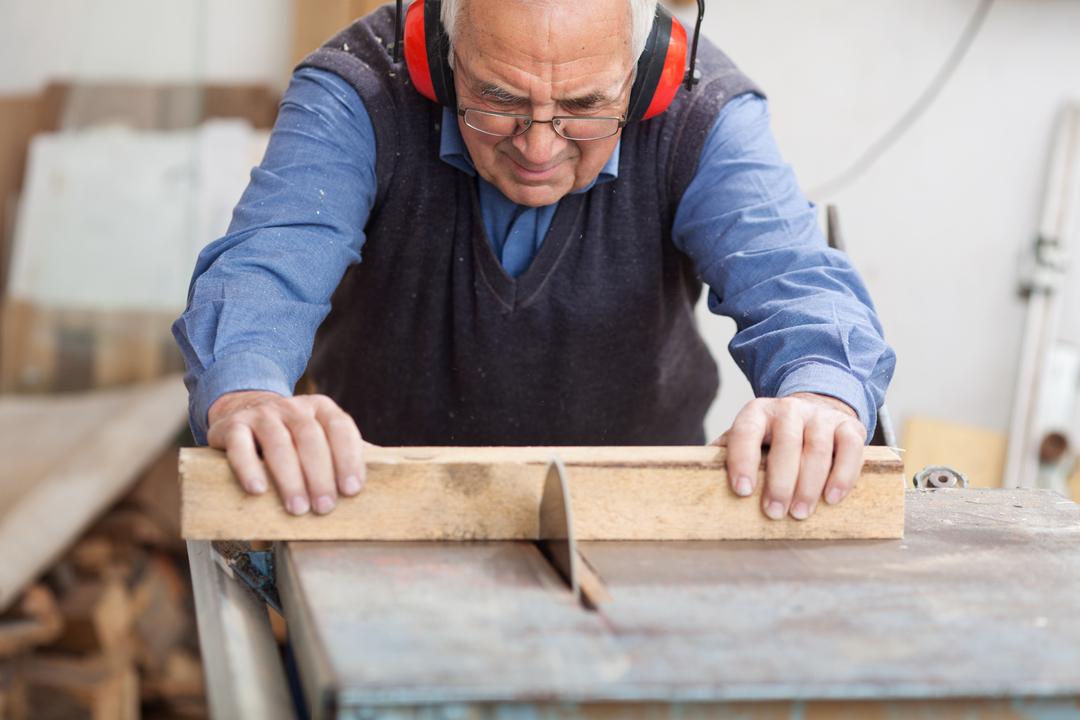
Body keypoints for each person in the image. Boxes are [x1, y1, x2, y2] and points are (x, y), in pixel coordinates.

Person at [173, 0, 895, 522]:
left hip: (641, 523)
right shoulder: (361, 90)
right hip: (374, 513)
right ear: (436, 57)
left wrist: (820, 396)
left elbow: (793, 278)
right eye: (497, 98)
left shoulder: (700, 111)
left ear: (646, 76)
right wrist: (248, 394)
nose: (539, 148)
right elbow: (266, 268)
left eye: (584, 107)